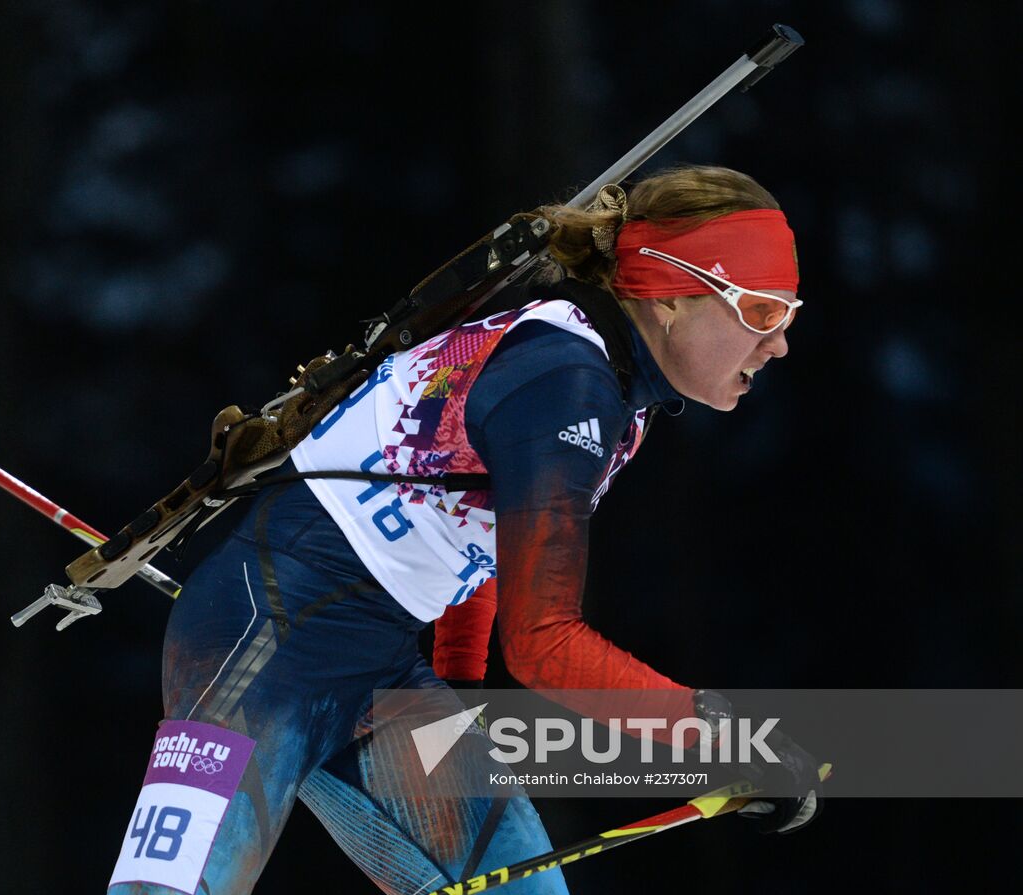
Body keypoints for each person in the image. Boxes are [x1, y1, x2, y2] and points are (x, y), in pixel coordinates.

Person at [107, 165, 821, 895]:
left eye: (789, 316)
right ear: (671, 296)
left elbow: (470, 534)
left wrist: (454, 680)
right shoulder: (567, 382)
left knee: (526, 890)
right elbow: (545, 643)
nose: (779, 345)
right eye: (762, 312)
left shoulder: (607, 387)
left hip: (375, 667)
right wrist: (716, 735)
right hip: (263, 636)